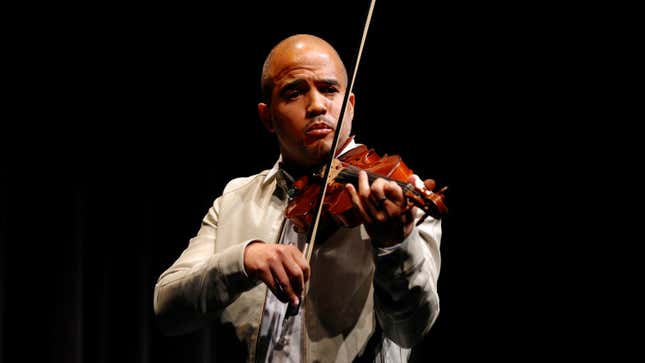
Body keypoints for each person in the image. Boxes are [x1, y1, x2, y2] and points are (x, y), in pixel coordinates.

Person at [153, 33, 443, 363]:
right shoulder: (235, 200)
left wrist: (395, 247)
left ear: (349, 106)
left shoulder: (397, 197)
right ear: (267, 117)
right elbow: (167, 310)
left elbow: (409, 330)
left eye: (329, 89)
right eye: (294, 92)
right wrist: (243, 260)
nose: (317, 105)